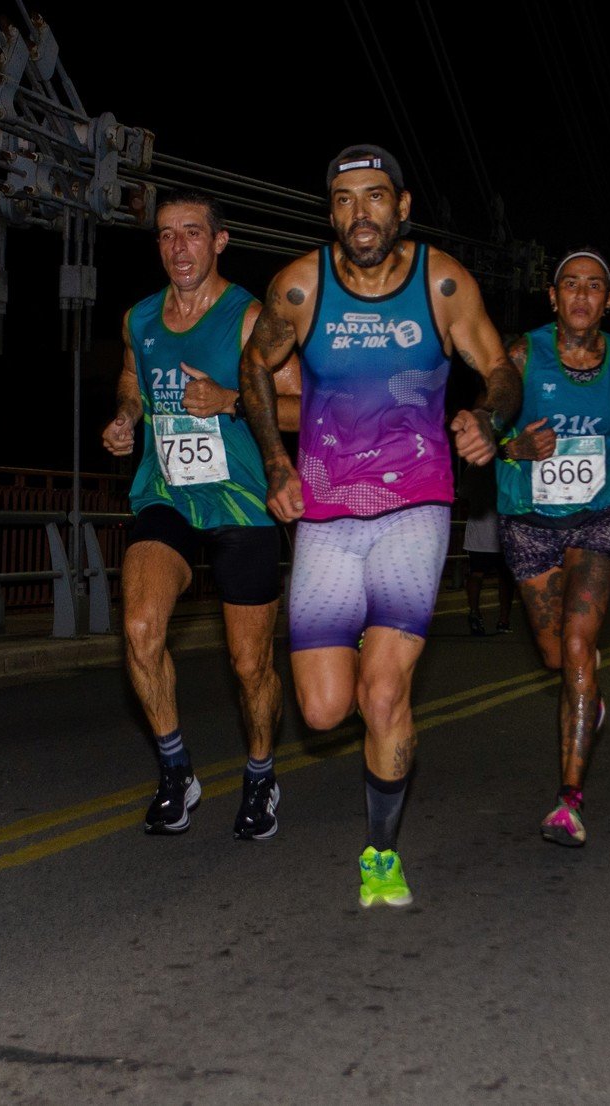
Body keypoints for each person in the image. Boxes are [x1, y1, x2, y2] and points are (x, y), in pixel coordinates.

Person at [239, 144, 522, 907]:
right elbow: (254, 366)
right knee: (325, 709)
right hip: (327, 514)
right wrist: (273, 462)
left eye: (373, 197)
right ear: (329, 211)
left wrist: (488, 419)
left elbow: (499, 368)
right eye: (342, 199)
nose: (358, 213)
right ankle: (368, 652)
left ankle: (381, 854)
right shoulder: (300, 287)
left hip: (415, 508)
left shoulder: (441, 282)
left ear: (401, 208)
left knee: (384, 693)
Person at [101, 188, 300, 842]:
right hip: (167, 495)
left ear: (219, 241)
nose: (176, 247)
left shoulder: (249, 320)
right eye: (164, 235)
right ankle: (174, 770)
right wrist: (127, 419)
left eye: (191, 233)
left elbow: (305, 407)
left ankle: (261, 771)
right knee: (137, 626)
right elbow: (132, 381)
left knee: (249, 666)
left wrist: (232, 400)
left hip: (241, 502)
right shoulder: (139, 319)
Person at [496, 249, 610, 847]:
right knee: (560, 658)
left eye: (595, 287)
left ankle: (569, 800)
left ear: (609, 301)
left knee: (581, 643)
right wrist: (512, 449)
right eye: (571, 285)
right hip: (528, 518)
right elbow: (490, 425)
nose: (582, 296)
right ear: (553, 296)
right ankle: (589, 693)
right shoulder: (520, 355)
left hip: (600, 513)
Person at [458, 460, 514, 636]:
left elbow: (462, 493)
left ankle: (475, 613)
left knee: (476, 573)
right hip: (502, 527)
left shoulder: (474, 465)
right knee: (505, 577)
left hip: (479, 527)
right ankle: (503, 621)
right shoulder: (507, 463)